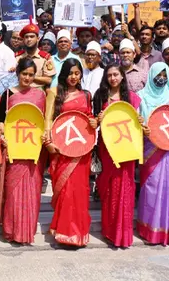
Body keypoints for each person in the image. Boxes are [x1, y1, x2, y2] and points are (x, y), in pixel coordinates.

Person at [0, 58, 51, 244]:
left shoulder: (40, 95)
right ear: (17, 73)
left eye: (31, 74)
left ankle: (26, 232)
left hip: (34, 151)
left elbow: (44, 122)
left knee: (32, 191)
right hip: (14, 150)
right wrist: (1, 132)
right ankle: (12, 231)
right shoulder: (7, 94)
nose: (27, 78)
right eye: (24, 74)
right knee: (12, 191)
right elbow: (1, 121)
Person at [43, 59, 96, 247]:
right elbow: (48, 120)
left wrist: (94, 122)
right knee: (65, 190)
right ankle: (63, 232)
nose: (74, 77)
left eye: (77, 73)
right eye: (70, 73)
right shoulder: (54, 92)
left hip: (81, 151)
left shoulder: (86, 94)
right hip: (61, 150)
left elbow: (88, 117)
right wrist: (48, 142)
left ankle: (78, 233)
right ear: (64, 74)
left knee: (80, 191)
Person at [137, 62, 169, 247]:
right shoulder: (140, 97)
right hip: (150, 150)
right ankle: (150, 228)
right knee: (151, 187)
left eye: (164, 75)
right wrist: (140, 127)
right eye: (157, 75)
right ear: (150, 75)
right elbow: (135, 123)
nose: (160, 78)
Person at [94, 63, 144, 248]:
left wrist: (140, 120)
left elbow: (139, 124)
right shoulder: (100, 96)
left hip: (127, 148)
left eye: (116, 74)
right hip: (107, 148)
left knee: (125, 187)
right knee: (109, 187)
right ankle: (109, 230)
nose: (113, 78)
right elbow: (94, 123)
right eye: (110, 75)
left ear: (123, 76)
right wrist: (97, 120)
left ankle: (123, 232)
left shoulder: (132, 98)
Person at [14, 22, 56, 88]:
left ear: (38, 38)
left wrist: (30, 77)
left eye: (32, 36)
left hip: (38, 92)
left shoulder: (45, 57)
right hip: (19, 91)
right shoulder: (17, 56)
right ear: (23, 39)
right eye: (26, 37)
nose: (29, 39)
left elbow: (48, 80)